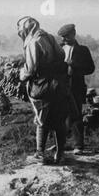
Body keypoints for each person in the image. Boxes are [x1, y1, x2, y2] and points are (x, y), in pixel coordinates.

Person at [18, 16, 69, 164]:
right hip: (58, 85)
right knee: (58, 119)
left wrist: (22, 74)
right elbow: (62, 55)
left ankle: (40, 153)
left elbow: (31, 69)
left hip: (42, 86)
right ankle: (60, 154)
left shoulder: (33, 41)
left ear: (26, 29)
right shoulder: (49, 37)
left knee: (42, 119)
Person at [58, 24, 95, 155]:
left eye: (66, 36)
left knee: (76, 116)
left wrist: (73, 64)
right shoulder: (59, 49)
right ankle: (59, 145)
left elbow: (90, 69)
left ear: (74, 34)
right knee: (60, 116)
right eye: (62, 37)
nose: (64, 39)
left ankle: (78, 145)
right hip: (60, 88)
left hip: (76, 88)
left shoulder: (83, 50)